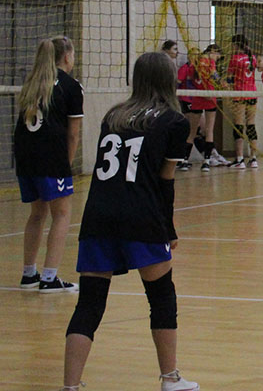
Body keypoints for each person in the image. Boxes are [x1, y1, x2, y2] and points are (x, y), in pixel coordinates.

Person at [60, 50, 197, 391]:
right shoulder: (175, 121)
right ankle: (170, 378)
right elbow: (166, 181)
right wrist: (169, 229)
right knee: (161, 296)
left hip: (98, 215)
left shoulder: (114, 116)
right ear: (169, 80)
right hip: (142, 217)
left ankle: (70, 386)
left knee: (89, 304)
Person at [14, 36, 83, 293]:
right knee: (62, 214)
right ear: (66, 56)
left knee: (37, 213)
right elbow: (73, 135)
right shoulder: (71, 86)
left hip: (25, 158)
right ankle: (49, 277)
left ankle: (29, 274)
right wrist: (66, 166)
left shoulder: (32, 82)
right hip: (51, 159)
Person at [189, 44, 228, 171]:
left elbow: (191, 78)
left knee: (192, 132)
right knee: (209, 131)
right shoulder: (209, 62)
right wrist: (222, 83)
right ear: (213, 51)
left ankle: (184, 161)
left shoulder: (195, 62)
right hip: (209, 96)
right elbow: (214, 74)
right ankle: (206, 162)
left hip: (197, 97)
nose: (216, 59)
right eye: (217, 56)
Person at [225, 34, 259, 169]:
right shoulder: (253, 58)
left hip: (239, 94)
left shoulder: (234, 59)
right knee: (251, 125)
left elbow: (229, 78)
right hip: (252, 94)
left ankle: (239, 159)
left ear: (235, 45)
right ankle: (253, 158)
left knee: (238, 126)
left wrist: (224, 84)